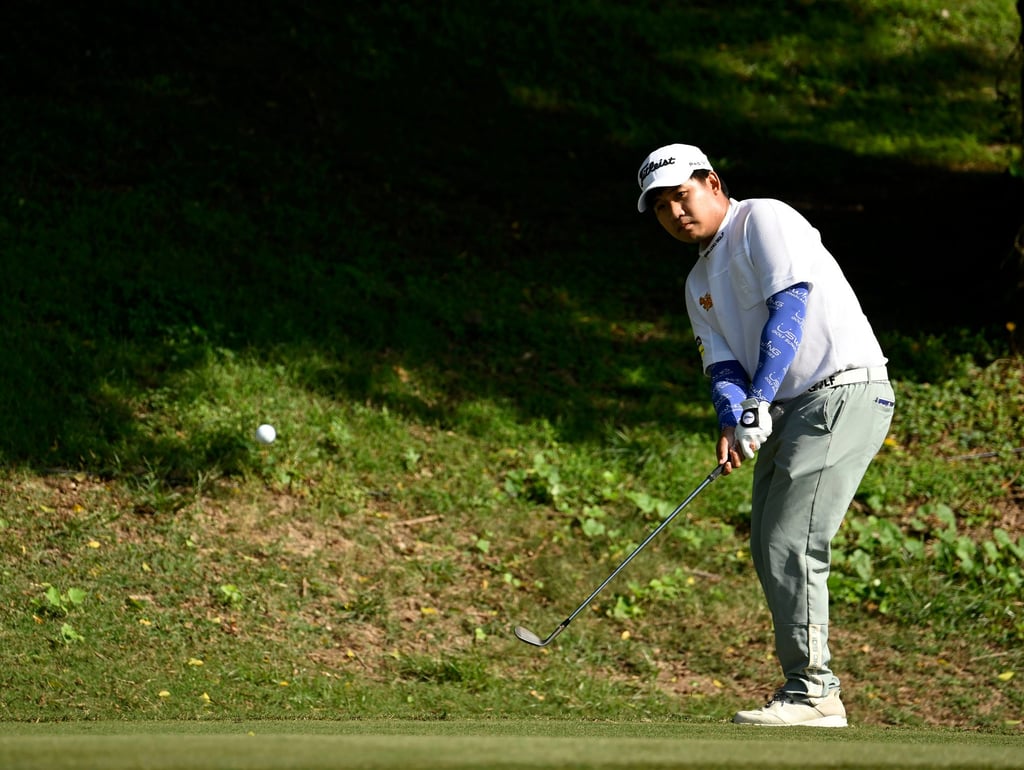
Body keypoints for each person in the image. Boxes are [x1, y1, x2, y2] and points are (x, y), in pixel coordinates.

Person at [635, 143, 895, 727]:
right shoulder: (697, 280)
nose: (677, 212)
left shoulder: (764, 219)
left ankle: (813, 694)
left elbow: (790, 308)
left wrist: (757, 402)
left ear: (712, 182)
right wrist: (733, 419)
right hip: (789, 409)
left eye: (683, 195)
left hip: (843, 390)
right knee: (767, 544)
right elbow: (723, 368)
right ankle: (809, 687)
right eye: (662, 207)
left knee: (789, 541)